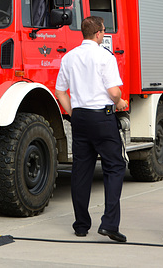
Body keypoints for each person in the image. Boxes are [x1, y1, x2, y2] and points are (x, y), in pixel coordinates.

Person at [55, 16, 129, 242]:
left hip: (80, 119)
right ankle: (109, 224)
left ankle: (81, 225)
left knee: (81, 171)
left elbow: (60, 91)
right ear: (98, 33)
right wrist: (120, 102)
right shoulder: (105, 56)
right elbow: (113, 91)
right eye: (104, 31)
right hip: (102, 118)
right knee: (115, 167)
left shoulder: (69, 57)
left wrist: (72, 113)